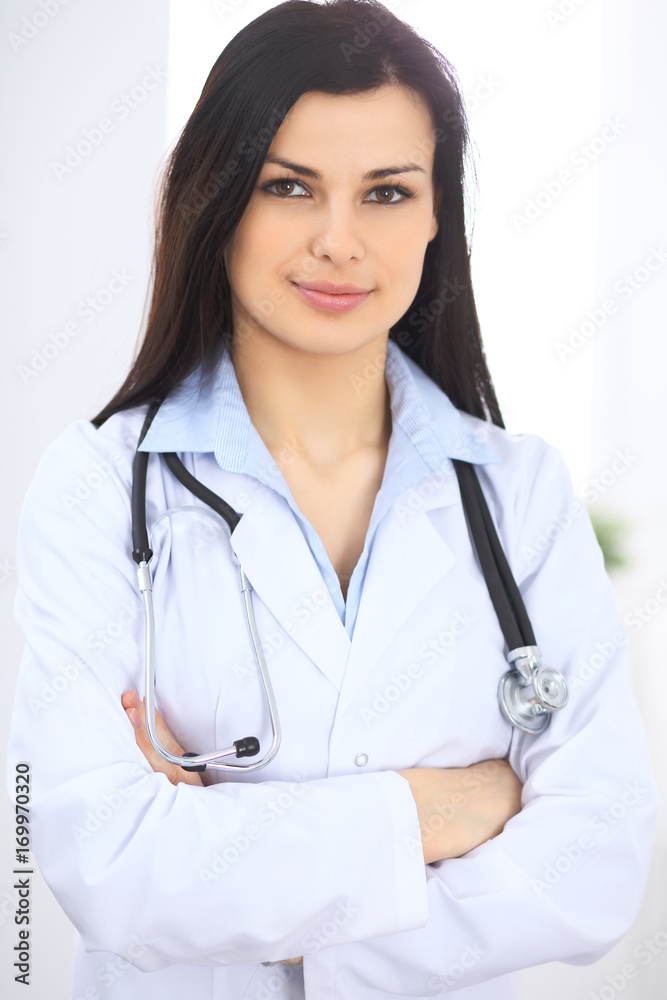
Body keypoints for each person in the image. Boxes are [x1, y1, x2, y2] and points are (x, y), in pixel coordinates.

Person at [6, 1, 659, 998]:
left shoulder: (518, 495)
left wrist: (245, 892)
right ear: (215, 199)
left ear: (436, 215)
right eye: (289, 186)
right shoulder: (98, 484)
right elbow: (109, 868)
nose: (339, 241)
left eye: (387, 192)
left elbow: (595, 866)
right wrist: (442, 813)